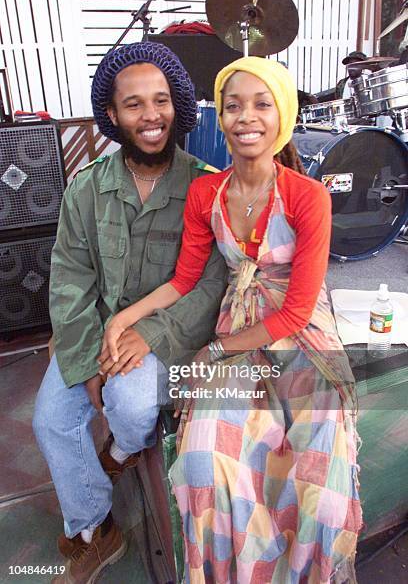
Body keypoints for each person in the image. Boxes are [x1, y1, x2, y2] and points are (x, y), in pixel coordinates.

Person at [99, 57, 362, 583]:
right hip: (235, 323)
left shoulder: (308, 197)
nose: (246, 117)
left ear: (282, 115)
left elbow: (295, 309)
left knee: (322, 483)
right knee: (203, 462)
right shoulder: (206, 193)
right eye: (233, 106)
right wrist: (121, 319)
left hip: (297, 335)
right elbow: (184, 279)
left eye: (262, 104)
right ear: (219, 118)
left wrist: (215, 352)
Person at [32, 41, 228, 584]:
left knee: (134, 405)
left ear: (178, 106)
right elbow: (71, 278)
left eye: (161, 101)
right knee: (52, 421)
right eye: (134, 104)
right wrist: (85, 356)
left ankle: (119, 449)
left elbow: (212, 283)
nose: (150, 116)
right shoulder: (86, 190)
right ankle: (95, 527)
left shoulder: (206, 187)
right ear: (112, 115)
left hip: (161, 338)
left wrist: (150, 333)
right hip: (92, 331)